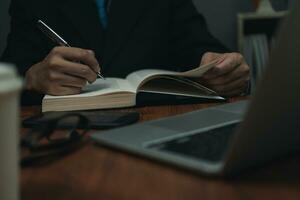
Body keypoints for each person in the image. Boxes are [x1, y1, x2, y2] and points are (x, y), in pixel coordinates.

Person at [1, 0, 250, 105]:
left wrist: (225, 68)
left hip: (157, 125)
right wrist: (32, 78)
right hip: (65, 133)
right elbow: (12, 71)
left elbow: (201, 47)